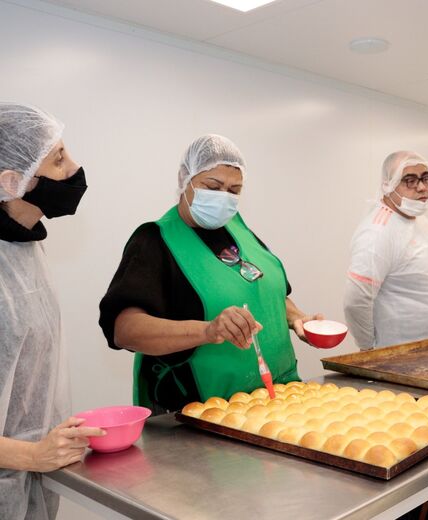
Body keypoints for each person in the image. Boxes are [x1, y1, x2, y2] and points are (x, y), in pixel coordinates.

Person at [99, 134, 322, 415]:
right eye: (212, 186)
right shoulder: (154, 241)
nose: (223, 198)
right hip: (201, 410)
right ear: (185, 179)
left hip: (273, 399)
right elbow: (125, 330)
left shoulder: (238, 229)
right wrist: (208, 330)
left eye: (234, 190)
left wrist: (297, 318)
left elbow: (264, 288)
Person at [0, 103, 105, 519]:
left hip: (29, 478)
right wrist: (30, 455)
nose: (74, 169)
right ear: (12, 181)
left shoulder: (25, 248)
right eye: (58, 159)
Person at [344, 150, 428, 349]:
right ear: (388, 184)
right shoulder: (377, 232)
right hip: (401, 354)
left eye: (425, 178)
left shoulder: (419, 220)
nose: (422, 187)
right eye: (410, 180)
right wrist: (367, 350)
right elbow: (356, 300)